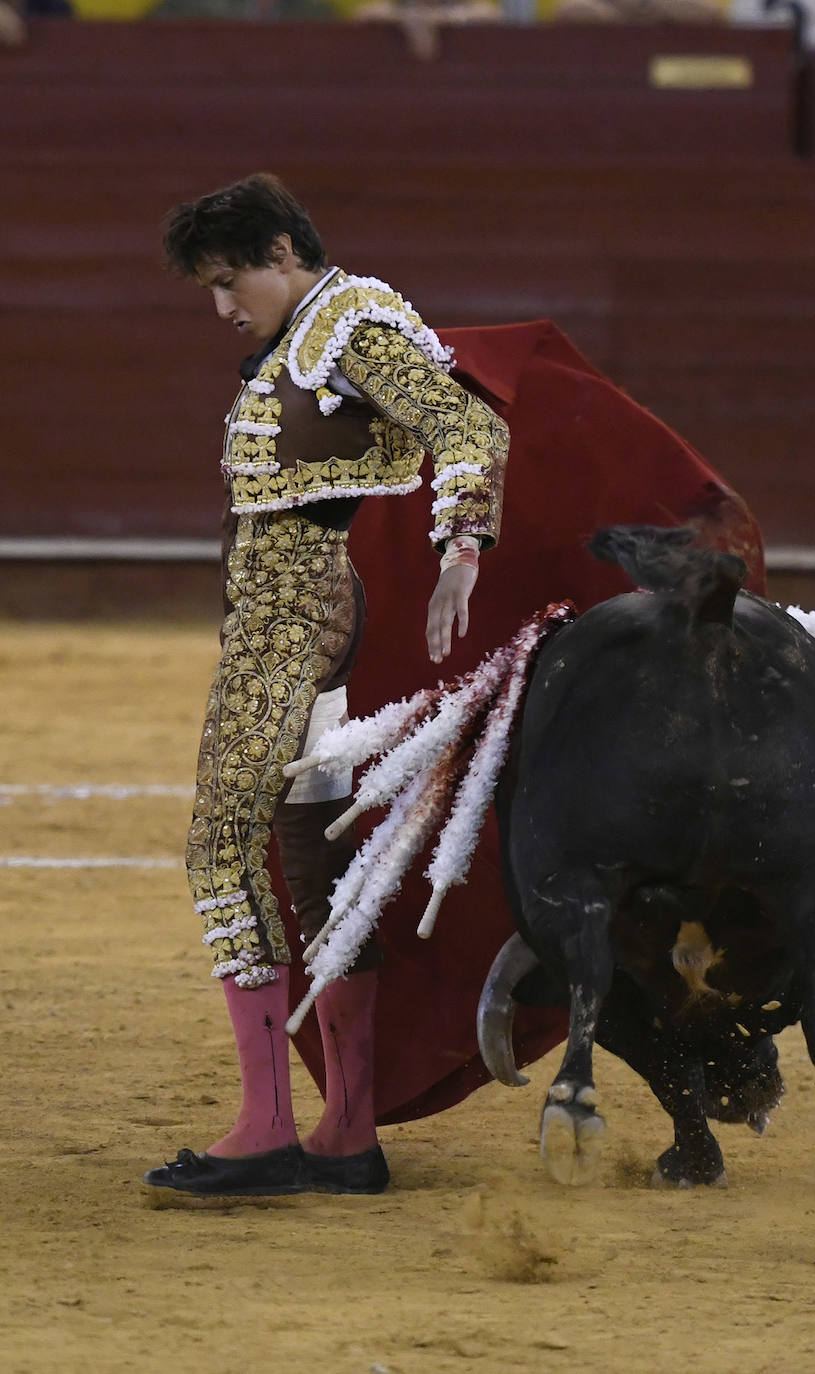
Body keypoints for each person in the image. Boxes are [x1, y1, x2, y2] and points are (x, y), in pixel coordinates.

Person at [144, 173, 508, 1198]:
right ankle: (345, 1135)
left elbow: (469, 428)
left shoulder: (343, 323)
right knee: (311, 857)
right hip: (309, 605)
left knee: (220, 845)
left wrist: (462, 547)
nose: (224, 309)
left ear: (281, 251)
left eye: (230, 282)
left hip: (290, 612)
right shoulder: (320, 329)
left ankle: (265, 1129)